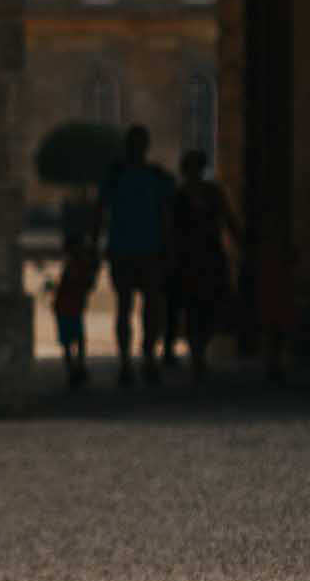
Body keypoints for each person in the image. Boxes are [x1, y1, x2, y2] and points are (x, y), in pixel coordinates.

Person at [93, 125, 176, 387]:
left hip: (141, 249)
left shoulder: (144, 177)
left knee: (144, 307)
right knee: (129, 307)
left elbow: (166, 215)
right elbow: (101, 212)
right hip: (130, 250)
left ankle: (144, 357)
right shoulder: (126, 177)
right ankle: (131, 360)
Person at [166, 149, 240, 382]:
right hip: (188, 258)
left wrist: (239, 240)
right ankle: (197, 353)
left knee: (209, 306)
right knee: (191, 307)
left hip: (209, 256)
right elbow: (170, 228)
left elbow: (228, 218)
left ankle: (200, 348)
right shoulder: (178, 196)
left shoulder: (213, 193)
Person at [49, 232, 99, 389]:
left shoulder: (75, 265)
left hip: (67, 308)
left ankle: (74, 368)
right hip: (70, 308)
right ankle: (76, 367)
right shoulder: (79, 265)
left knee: (69, 341)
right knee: (76, 339)